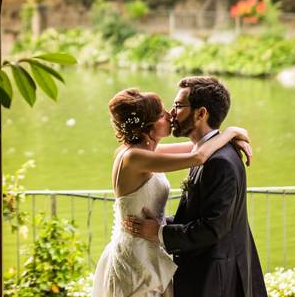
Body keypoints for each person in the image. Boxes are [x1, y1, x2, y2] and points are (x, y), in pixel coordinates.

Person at [91, 87, 252, 297]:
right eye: (160, 114)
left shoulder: (147, 152)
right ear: (147, 126)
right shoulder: (133, 158)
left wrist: (231, 138)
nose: (169, 114)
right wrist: (232, 132)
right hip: (136, 257)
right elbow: (199, 157)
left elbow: (197, 147)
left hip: (152, 248)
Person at [123, 76, 268, 297]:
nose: (172, 113)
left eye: (178, 106)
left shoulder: (218, 161)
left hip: (215, 280)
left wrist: (160, 232)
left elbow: (212, 228)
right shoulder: (204, 152)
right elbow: (198, 211)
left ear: (201, 113)